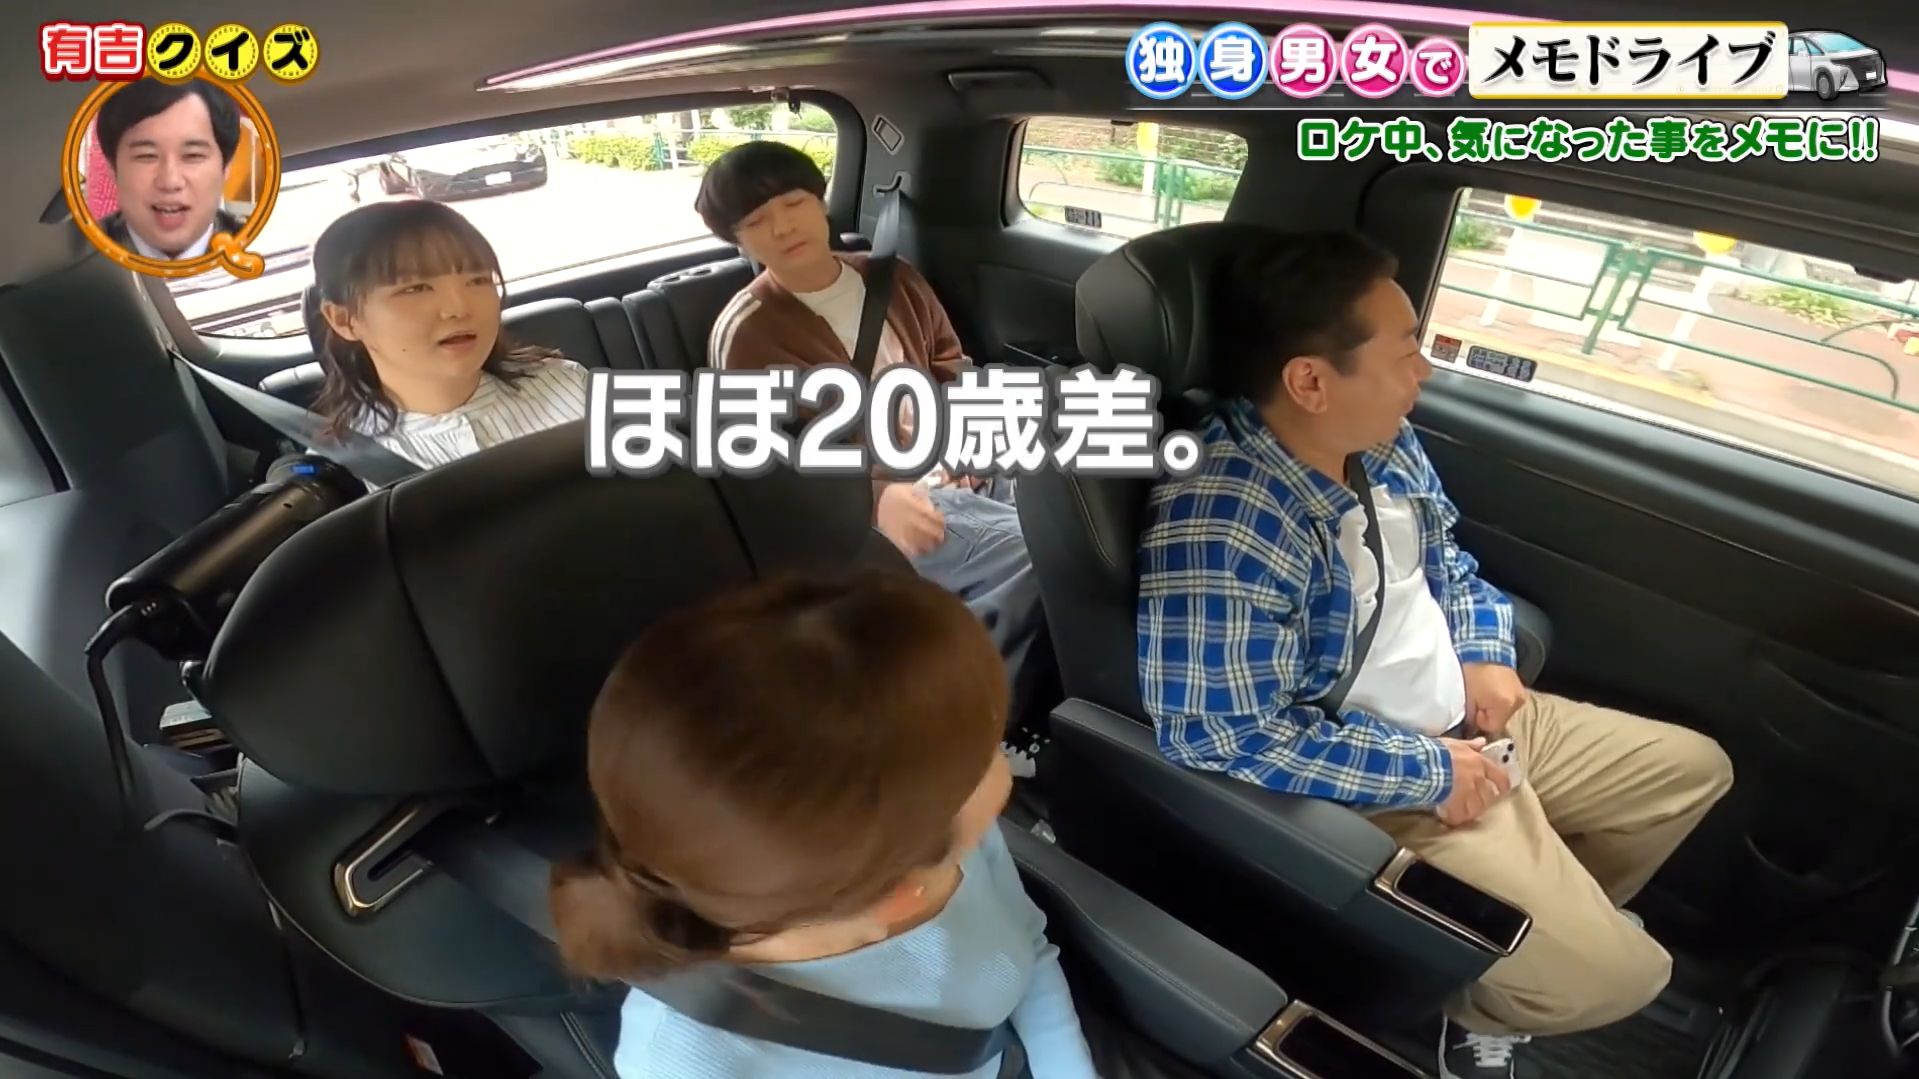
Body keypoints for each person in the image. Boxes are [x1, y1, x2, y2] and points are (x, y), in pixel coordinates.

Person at [1134, 231, 1735, 1079]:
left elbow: (1445, 560)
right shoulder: (1225, 522)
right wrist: (1429, 771)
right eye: (1405, 352)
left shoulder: (1377, 440)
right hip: (1377, 775)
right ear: (1310, 380)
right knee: (1626, 978)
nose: (1424, 372)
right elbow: (1220, 733)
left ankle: (1529, 938)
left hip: (1470, 715)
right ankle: (1475, 994)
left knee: (1690, 772)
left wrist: (1485, 652)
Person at [547, 571, 1106, 1078]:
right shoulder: (681, 1064)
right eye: (988, 747)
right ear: (899, 893)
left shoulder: (950, 834)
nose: (1004, 749)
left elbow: (1031, 951)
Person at [694, 141, 1046, 723]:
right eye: (756, 221)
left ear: (820, 200)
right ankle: (983, 719)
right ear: (738, 241)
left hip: (957, 460)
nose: (783, 227)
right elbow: (769, 464)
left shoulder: (895, 279)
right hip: (874, 504)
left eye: (794, 203)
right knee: (1040, 551)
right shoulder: (748, 332)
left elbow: (952, 366)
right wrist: (875, 499)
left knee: (1078, 505)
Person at [305, 199, 589, 466]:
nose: (458, 309)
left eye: (477, 280)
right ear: (345, 320)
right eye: (415, 288)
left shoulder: (570, 385)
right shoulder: (339, 468)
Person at [91, 77, 251, 261]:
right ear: (112, 168)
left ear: (226, 166)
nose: (170, 181)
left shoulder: (259, 250)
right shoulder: (82, 258)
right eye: (147, 156)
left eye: (192, 156)